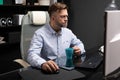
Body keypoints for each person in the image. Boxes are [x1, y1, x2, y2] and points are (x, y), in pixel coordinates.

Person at [27, 2, 85, 73]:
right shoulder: (39, 34)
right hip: (49, 72)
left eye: (66, 16)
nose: (66, 19)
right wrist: (42, 63)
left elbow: (80, 44)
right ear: (53, 18)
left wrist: (79, 50)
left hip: (65, 70)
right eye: (62, 16)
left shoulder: (68, 32)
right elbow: (31, 55)